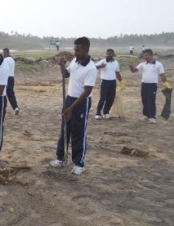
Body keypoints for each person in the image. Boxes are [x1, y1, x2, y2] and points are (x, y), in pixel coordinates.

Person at [49, 37, 97, 175]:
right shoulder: (75, 61)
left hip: (81, 102)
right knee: (65, 129)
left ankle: (79, 163)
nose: (75, 52)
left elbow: (87, 92)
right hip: (69, 99)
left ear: (86, 50)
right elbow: (65, 75)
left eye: (78, 50)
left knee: (78, 133)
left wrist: (72, 108)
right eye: (74, 49)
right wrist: (62, 66)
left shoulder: (91, 68)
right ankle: (61, 158)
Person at [129, 49, 172, 124]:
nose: (144, 57)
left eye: (146, 55)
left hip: (152, 85)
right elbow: (134, 70)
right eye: (143, 55)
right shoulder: (143, 64)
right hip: (144, 84)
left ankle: (152, 117)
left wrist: (166, 84)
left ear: (151, 55)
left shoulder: (158, 64)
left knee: (151, 100)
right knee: (144, 100)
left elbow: (162, 75)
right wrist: (131, 66)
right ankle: (145, 115)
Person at [94, 49, 125, 119]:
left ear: (113, 54)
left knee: (111, 98)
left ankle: (106, 112)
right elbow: (93, 66)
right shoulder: (103, 61)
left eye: (110, 54)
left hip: (113, 82)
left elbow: (117, 73)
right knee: (102, 98)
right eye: (107, 54)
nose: (109, 55)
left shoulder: (116, 63)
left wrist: (121, 81)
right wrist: (100, 66)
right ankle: (98, 113)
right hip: (104, 82)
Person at [3, 48, 19, 115]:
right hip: (12, 78)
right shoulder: (12, 59)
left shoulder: (5, 60)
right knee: (11, 94)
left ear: (6, 52)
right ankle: (15, 107)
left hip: (6, 78)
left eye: (3, 53)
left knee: (4, 94)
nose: (3, 54)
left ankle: (3, 108)